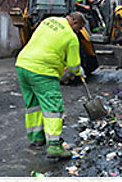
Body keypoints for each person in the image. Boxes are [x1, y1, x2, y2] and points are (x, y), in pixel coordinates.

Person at [15, 12, 86, 159]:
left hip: (22, 64)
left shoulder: (48, 21)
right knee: (53, 107)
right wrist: (80, 71)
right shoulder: (71, 37)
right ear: (75, 23)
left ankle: (36, 138)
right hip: (43, 71)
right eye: (78, 29)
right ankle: (54, 146)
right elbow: (73, 66)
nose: (77, 32)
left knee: (33, 105)